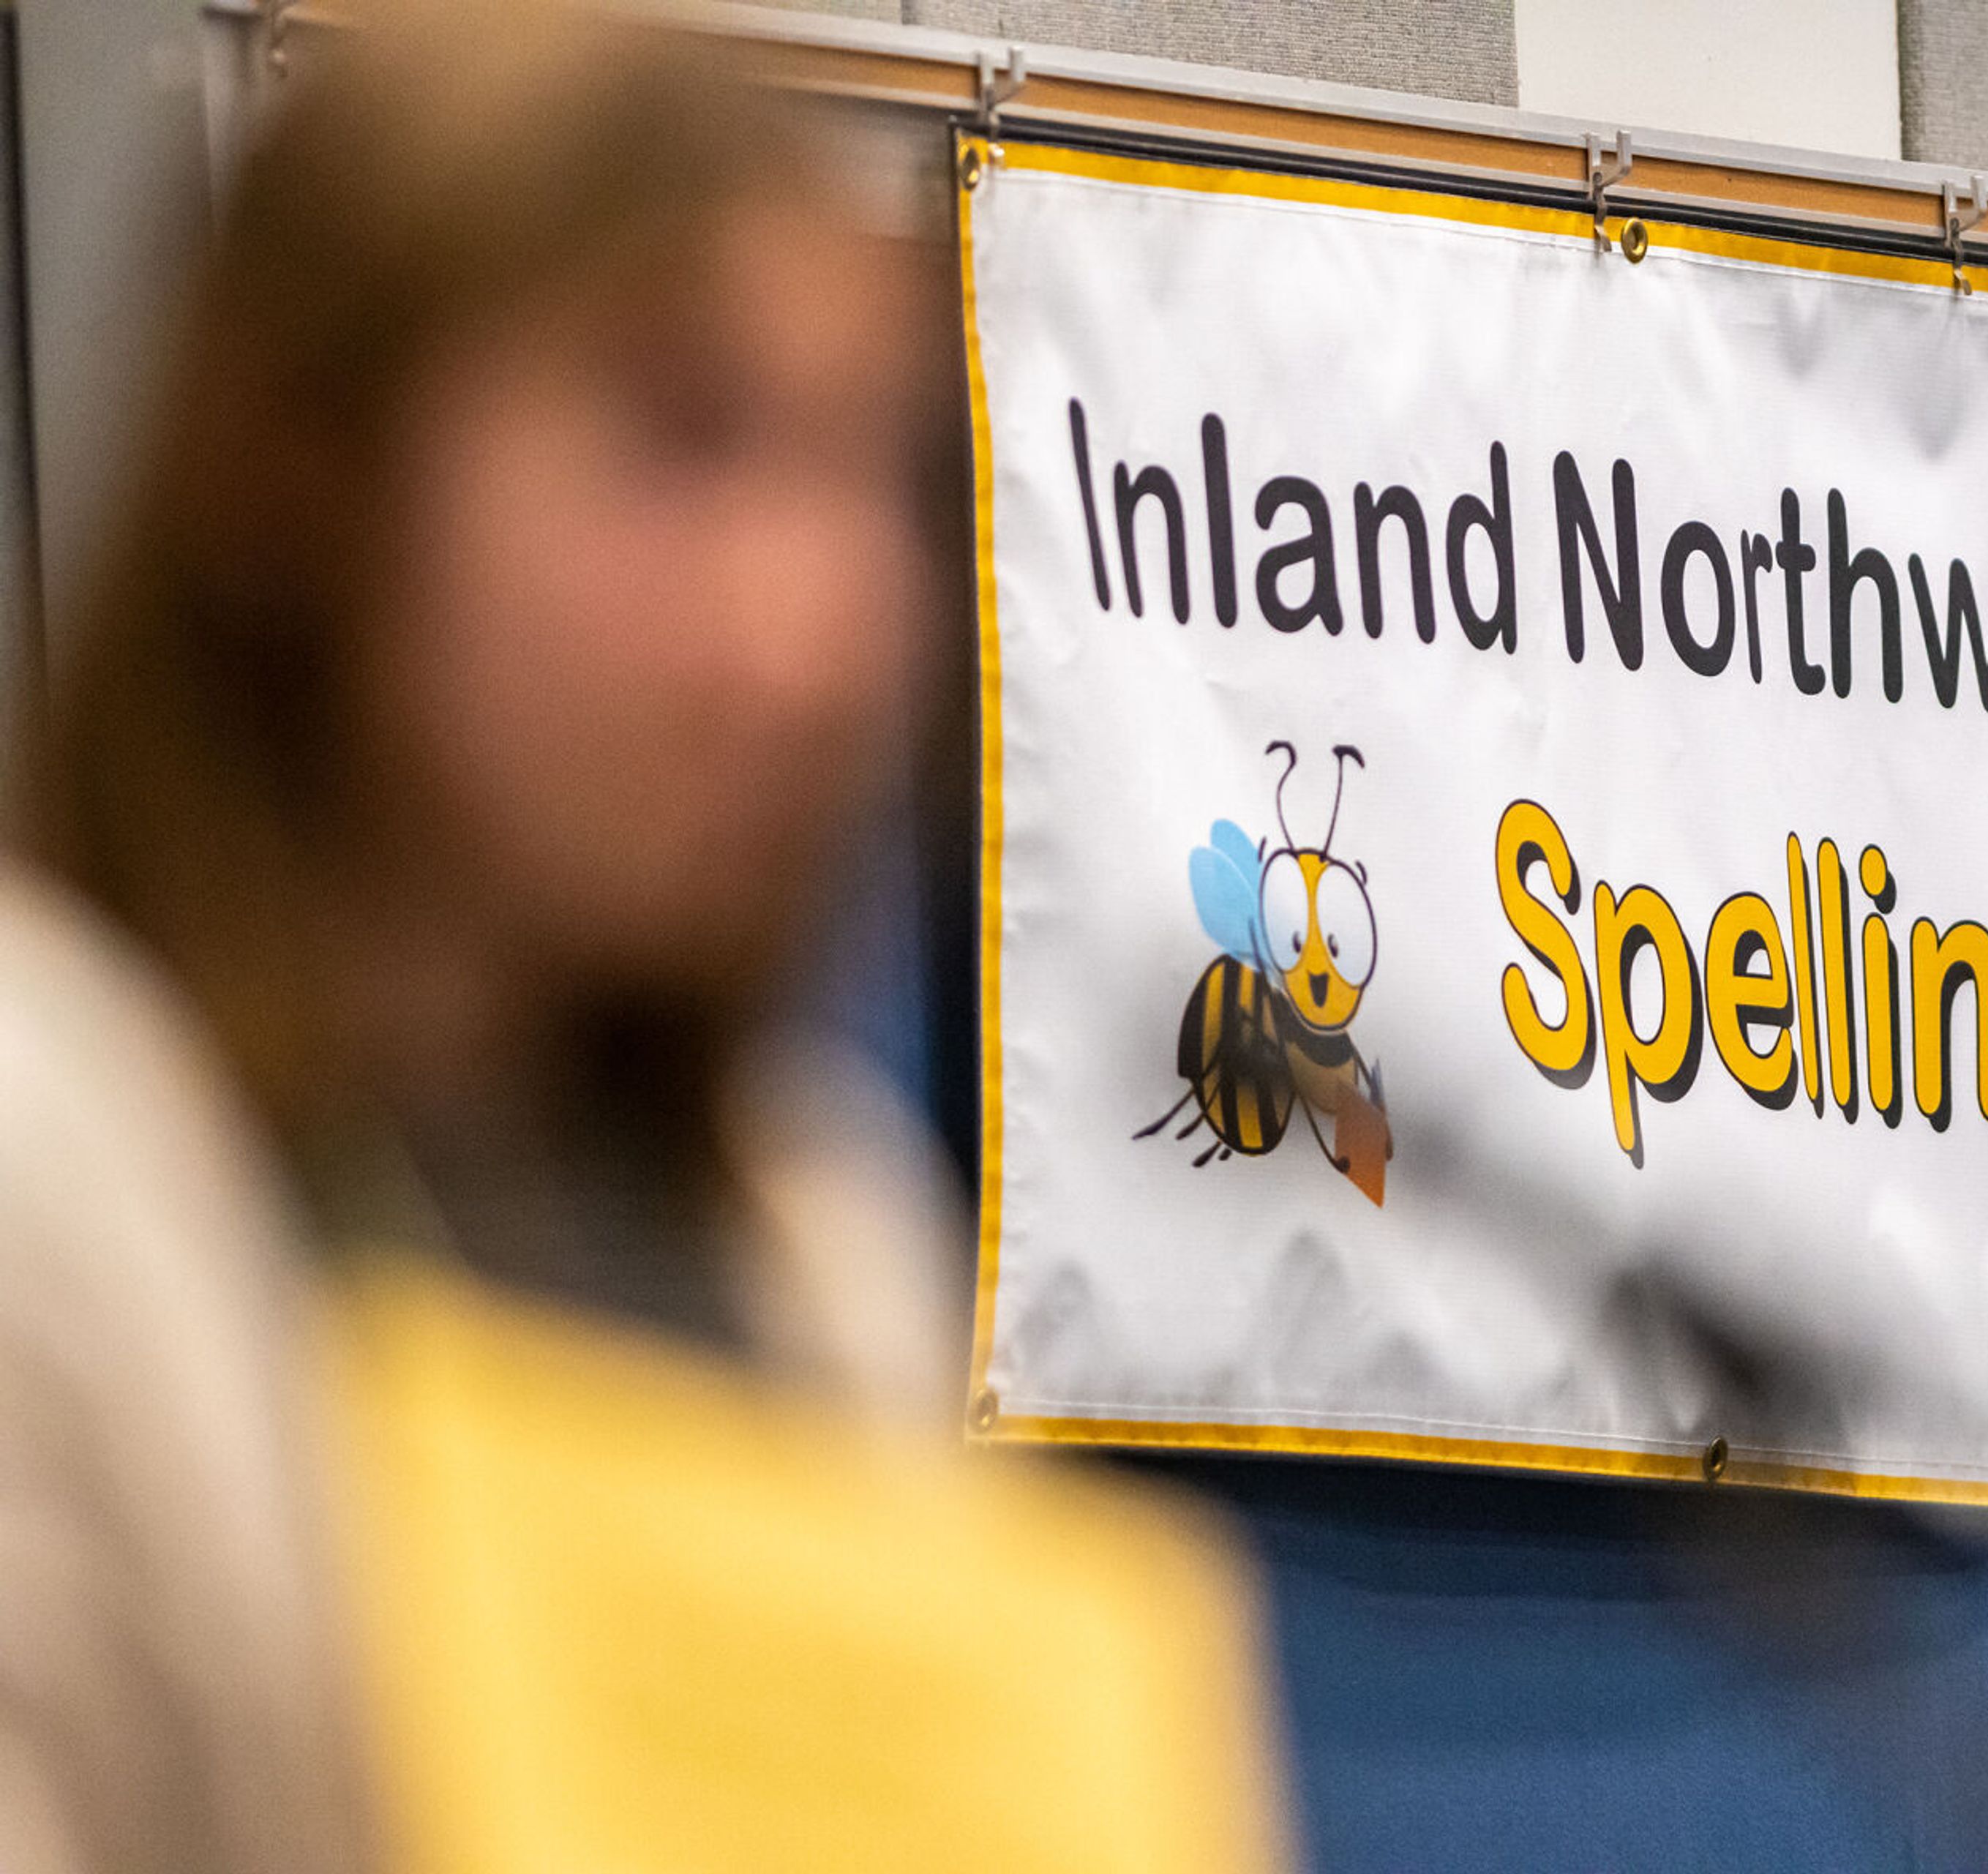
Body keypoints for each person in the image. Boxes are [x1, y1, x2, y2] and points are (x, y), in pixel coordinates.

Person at [0, 7, 1281, 1871]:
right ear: (302, 460)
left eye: (872, 475)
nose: (818, 633)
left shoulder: (818, 1250)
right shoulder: (56, 1174)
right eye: (681, 438)